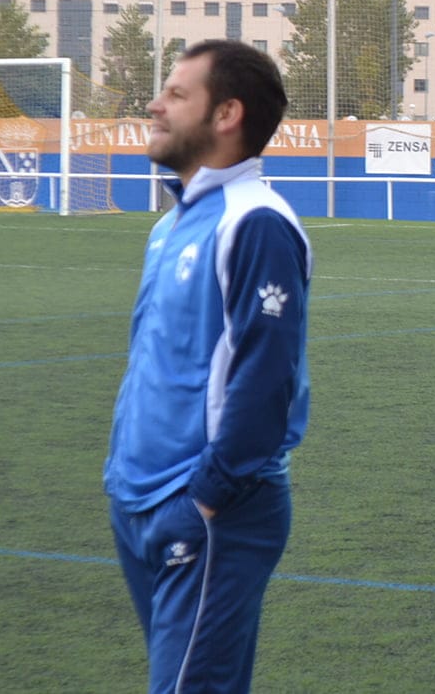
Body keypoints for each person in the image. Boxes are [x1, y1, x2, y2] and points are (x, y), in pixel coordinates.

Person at [104, 39, 314, 693]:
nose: (154, 104)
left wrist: (210, 494)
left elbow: (267, 372)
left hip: (205, 509)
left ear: (225, 114)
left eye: (175, 93)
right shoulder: (171, 225)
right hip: (138, 498)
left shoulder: (255, 222)